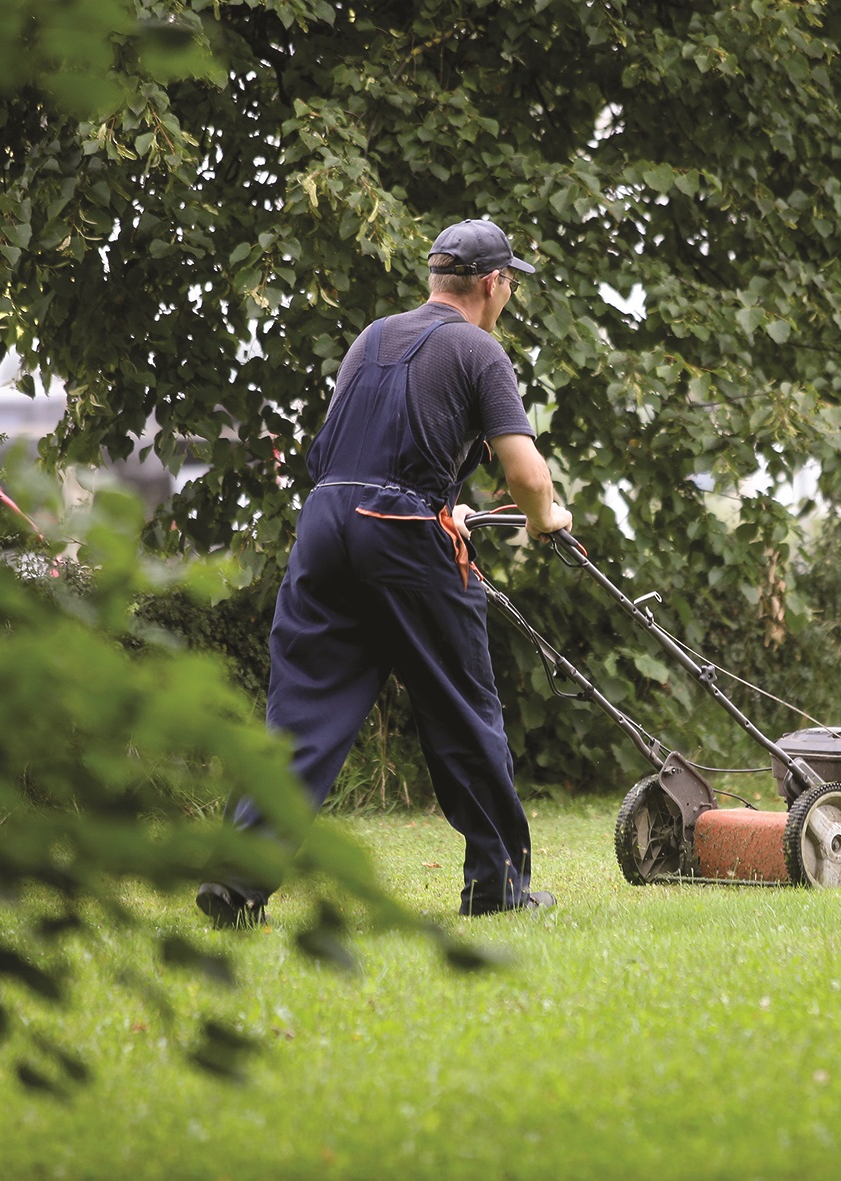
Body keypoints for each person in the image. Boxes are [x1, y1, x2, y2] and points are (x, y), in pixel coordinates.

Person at [197, 217, 572, 928]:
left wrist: (444, 504)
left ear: (436, 278)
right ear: (493, 284)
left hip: (326, 525)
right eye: (511, 283)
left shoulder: (371, 338)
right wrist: (545, 515)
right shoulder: (479, 349)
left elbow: (368, 451)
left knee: (300, 715)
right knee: (463, 708)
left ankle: (236, 880)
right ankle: (496, 885)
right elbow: (525, 471)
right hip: (399, 535)